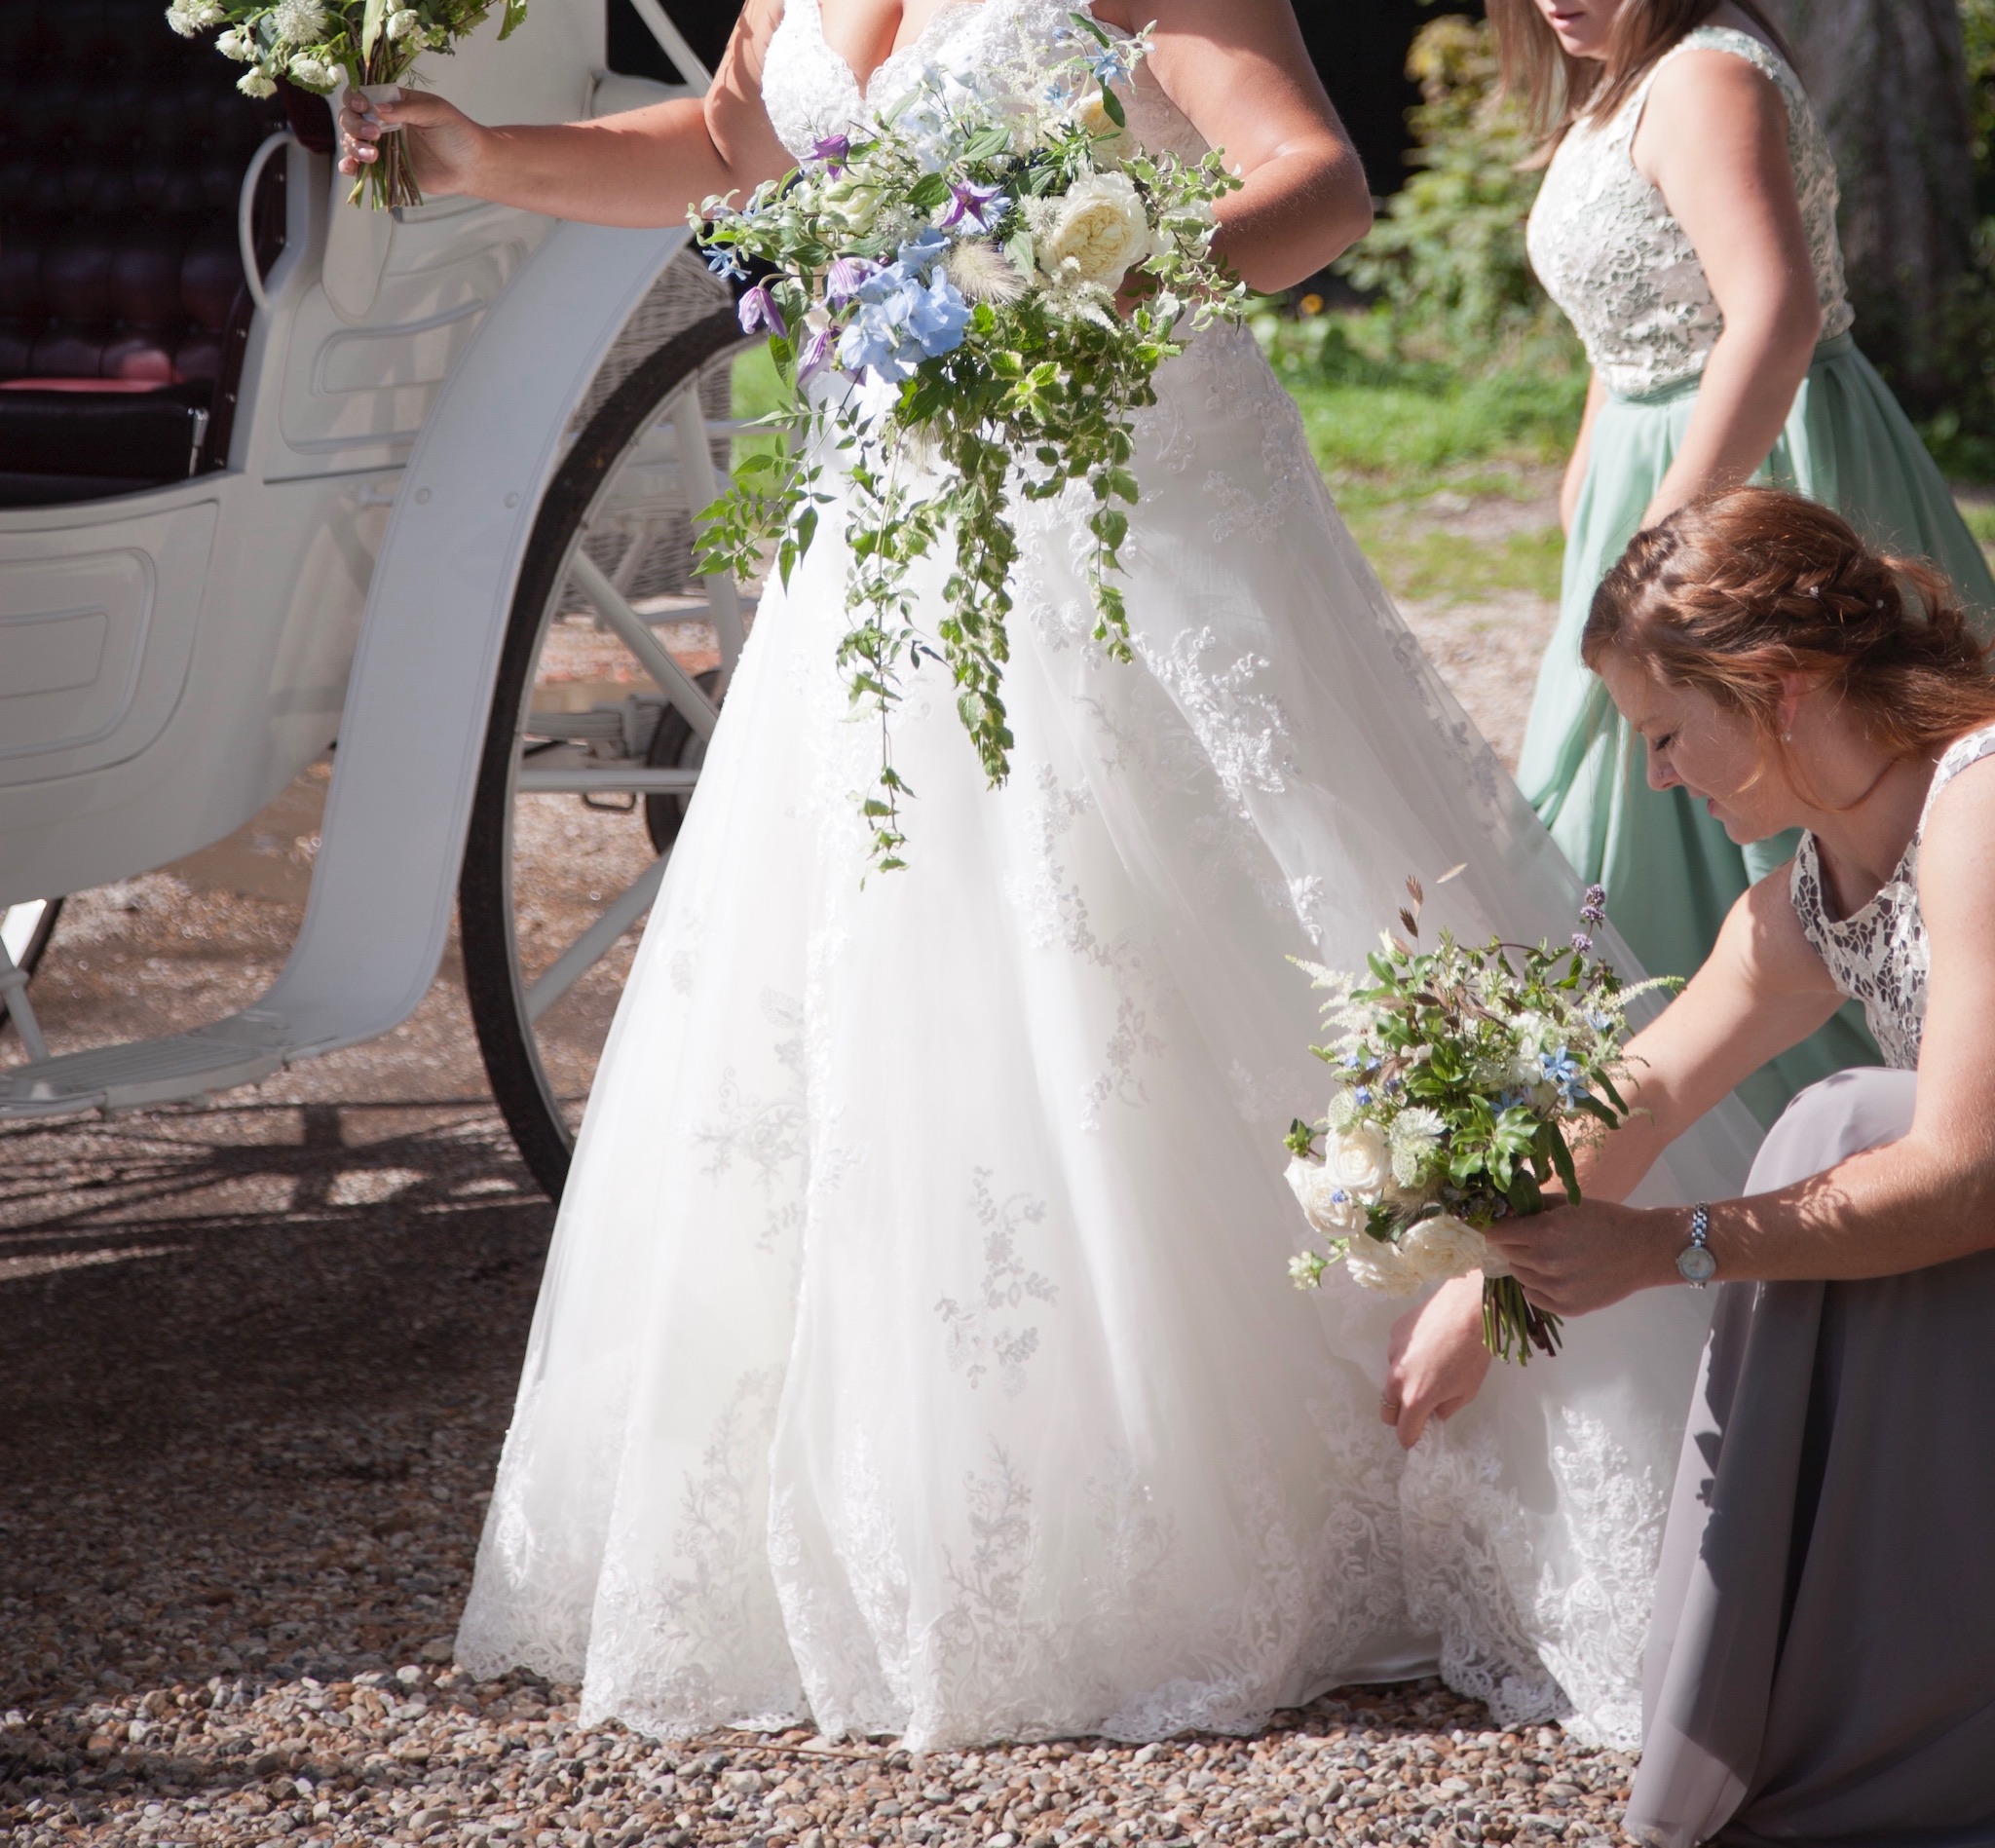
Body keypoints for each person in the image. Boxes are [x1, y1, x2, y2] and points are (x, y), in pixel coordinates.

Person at [343, 0, 1753, 1749]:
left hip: (1127, 518)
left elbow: (1311, 184)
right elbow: (726, 149)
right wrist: (487, 157)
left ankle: (1369, 1435)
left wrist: (1105, 286)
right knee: (884, 997)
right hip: (884, 540)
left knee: (1182, 952)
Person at [1482, 486, 1995, 1843]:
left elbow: (1966, 1173)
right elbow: (1638, 1099)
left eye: (1666, 732)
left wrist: (1667, 1248)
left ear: (1775, 686)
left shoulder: (1981, 811)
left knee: (1847, 1123)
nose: (1658, 776)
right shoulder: (1807, 897)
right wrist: (1468, 1256)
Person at [1493, 0, 1995, 1126]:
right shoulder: (1618, 83)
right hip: (1644, 479)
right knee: (1627, 825)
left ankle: (1871, 1140)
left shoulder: (1706, 77)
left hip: (1740, 479)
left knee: (1794, 806)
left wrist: (1659, 562)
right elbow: (1618, 335)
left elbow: (1770, 315)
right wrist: (1586, 497)